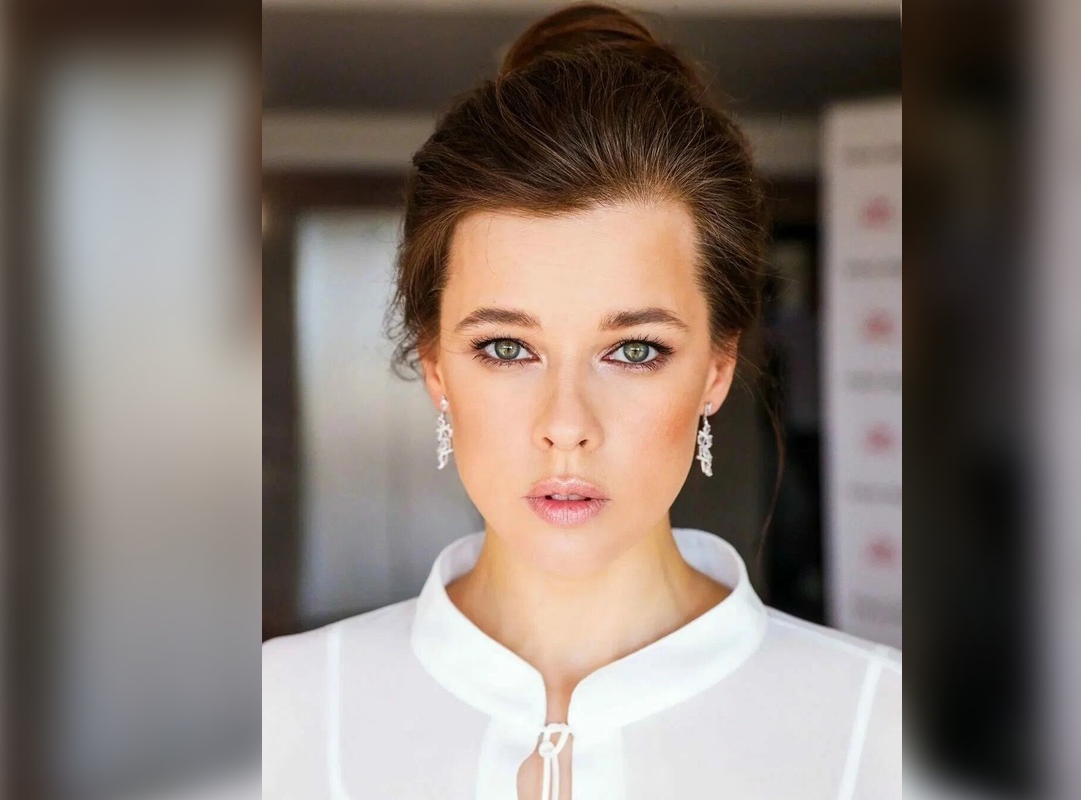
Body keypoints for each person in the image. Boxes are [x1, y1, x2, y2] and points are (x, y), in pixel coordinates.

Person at [262, 4, 901, 798]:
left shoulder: (881, 730)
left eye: (634, 350)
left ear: (716, 368)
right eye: (507, 348)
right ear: (435, 366)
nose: (566, 426)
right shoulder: (275, 716)